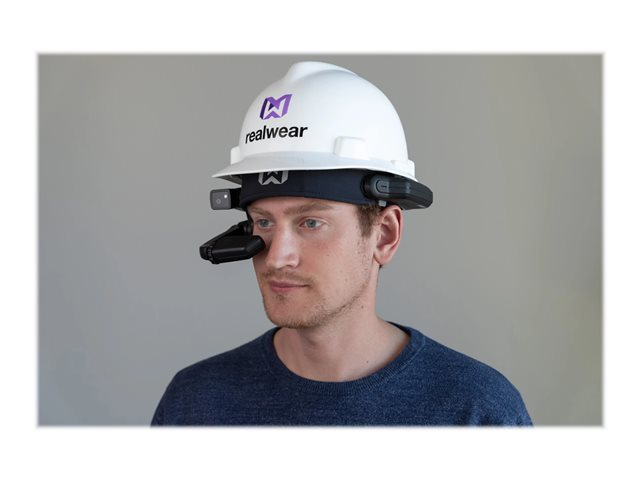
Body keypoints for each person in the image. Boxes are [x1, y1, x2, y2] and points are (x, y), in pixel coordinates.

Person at [151, 61, 532, 426]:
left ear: (385, 235)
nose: (277, 258)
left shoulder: (475, 410)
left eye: (311, 223)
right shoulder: (195, 403)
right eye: (264, 222)